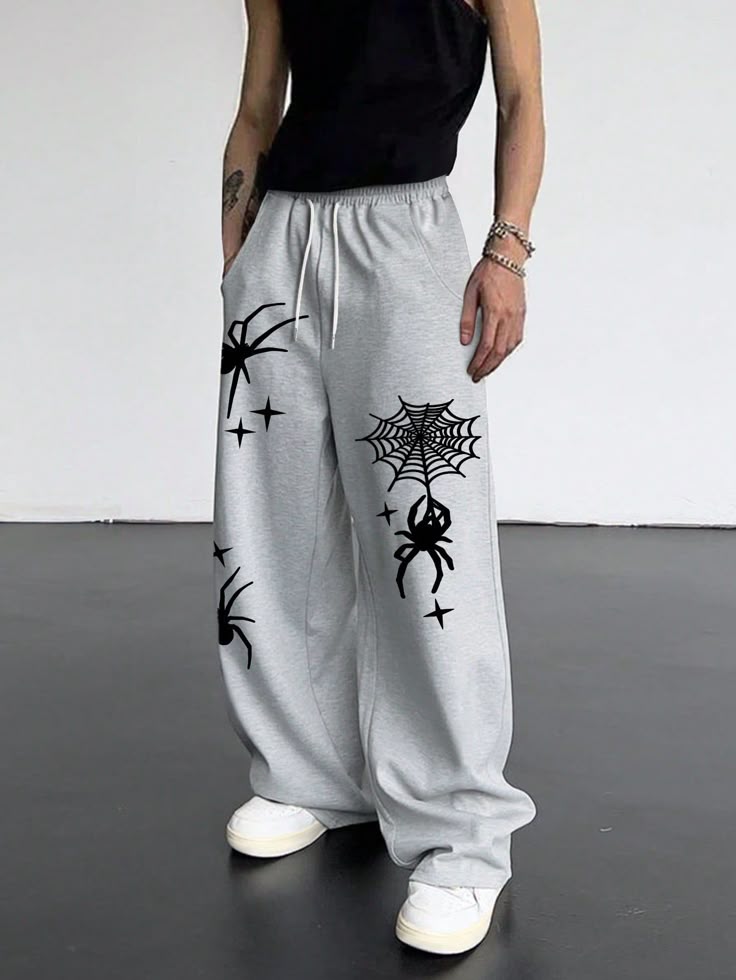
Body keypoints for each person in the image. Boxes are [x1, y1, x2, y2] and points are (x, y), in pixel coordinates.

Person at [213, 0, 544, 956]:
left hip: (408, 234)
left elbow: (522, 96)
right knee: (268, 523)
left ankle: (463, 831)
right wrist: (237, 257)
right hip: (283, 236)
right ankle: (309, 773)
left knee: (427, 528)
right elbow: (258, 104)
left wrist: (507, 250)